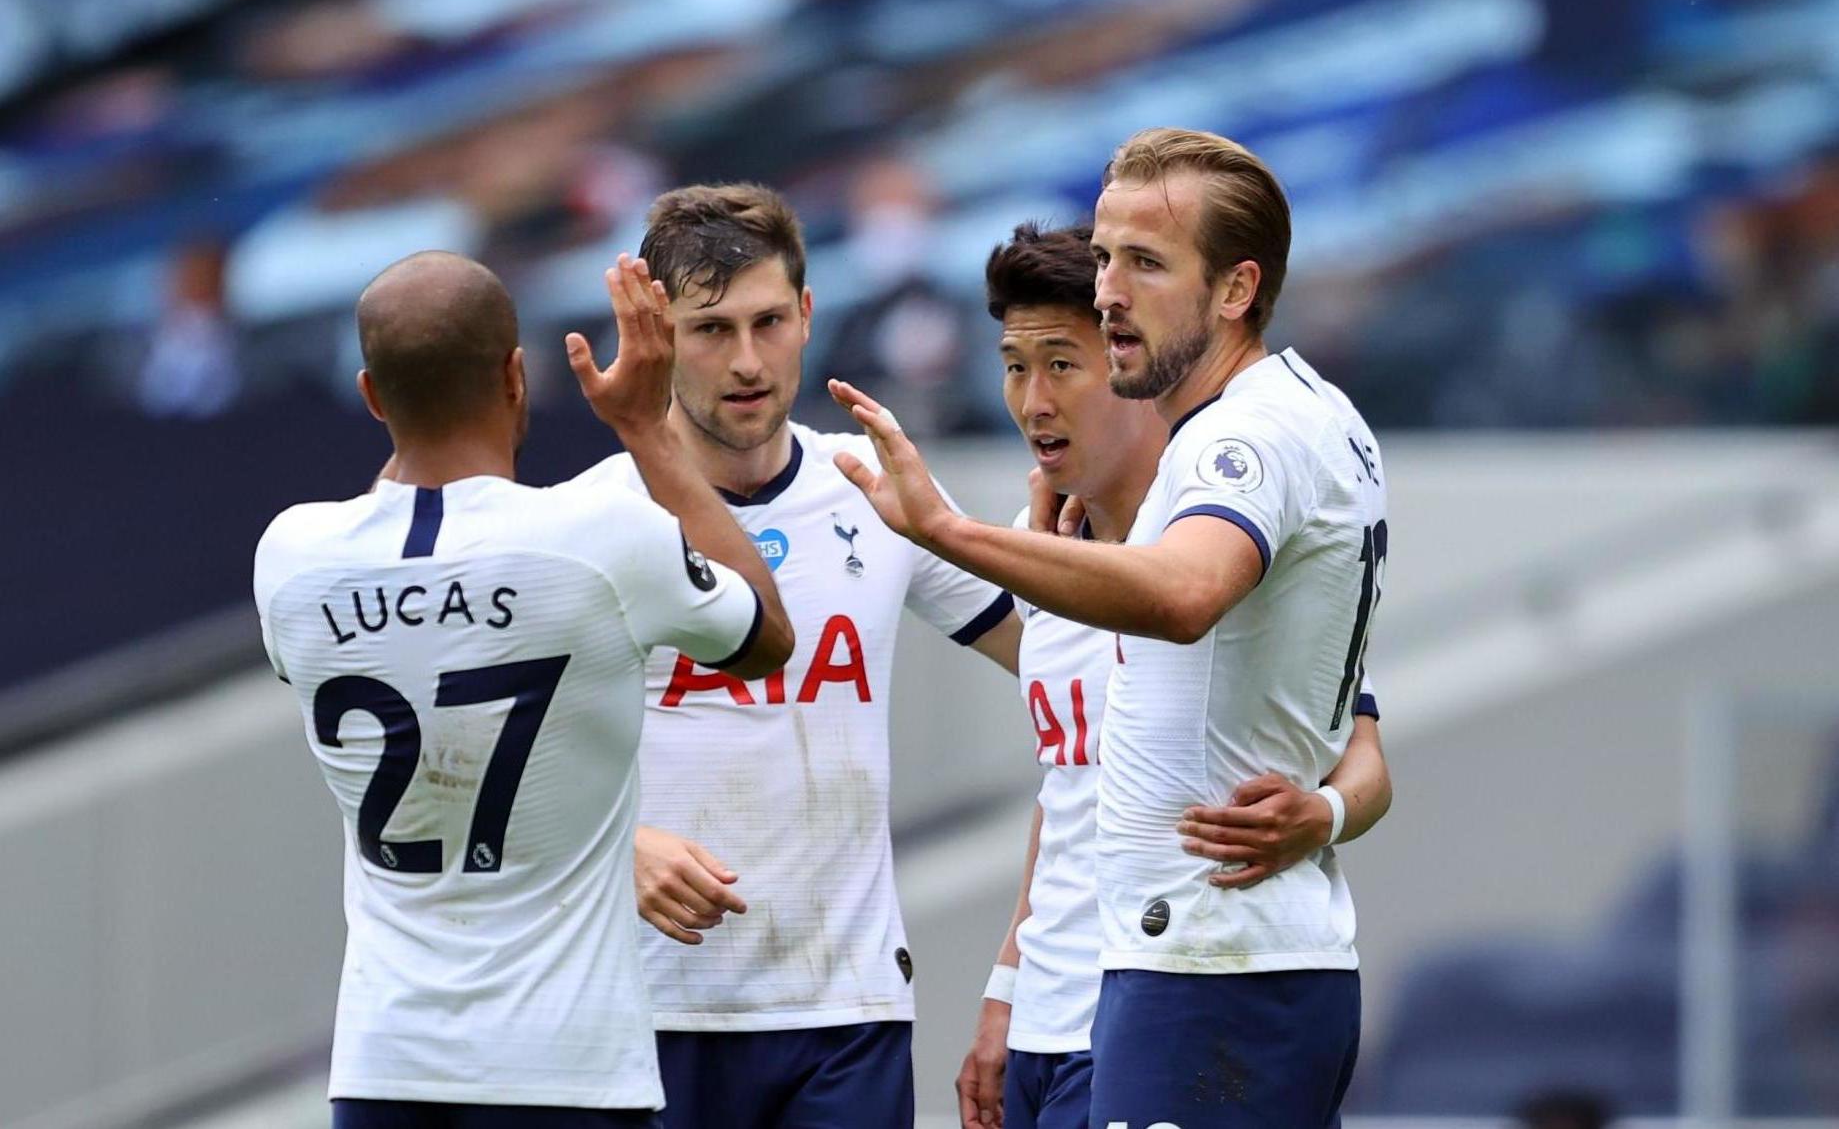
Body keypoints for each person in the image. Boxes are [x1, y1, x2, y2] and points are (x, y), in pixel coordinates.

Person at [830, 128, 1388, 1127]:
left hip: (1210, 962)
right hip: (1175, 964)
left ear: (1234, 290)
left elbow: (1180, 595)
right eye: (1106, 260)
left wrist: (943, 530)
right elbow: (1084, 775)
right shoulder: (1266, 427)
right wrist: (1006, 985)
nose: (1110, 290)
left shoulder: (1245, 437)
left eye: (1146, 262)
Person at [253, 251, 793, 1128]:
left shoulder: (291, 554)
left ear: (372, 396)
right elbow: (763, 637)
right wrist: (648, 429)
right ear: (517, 375)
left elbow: (401, 571)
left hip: (384, 1067)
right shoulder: (597, 537)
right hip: (565, 1067)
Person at [565, 184, 1022, 1129]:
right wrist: (617, 848)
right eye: (709, 328)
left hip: (843, 1011)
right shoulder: (590, 519)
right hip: (645, 1012)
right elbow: (475, 755)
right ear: (654, 332)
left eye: (769, 321)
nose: (746, 361)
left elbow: (1064, 664)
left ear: (807, 316)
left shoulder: (875, 486)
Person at [955, 223, 1394, 1129]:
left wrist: (1326, 813)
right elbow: (1071, 782)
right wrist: (1008, 983)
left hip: (1163, 991)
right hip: (1049, 1011)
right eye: (1013, 366)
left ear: (1126, 362)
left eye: (1062, 365)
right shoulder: (1043, 545)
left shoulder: (1222, 536)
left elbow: (1360, 749)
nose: (1034, 401)